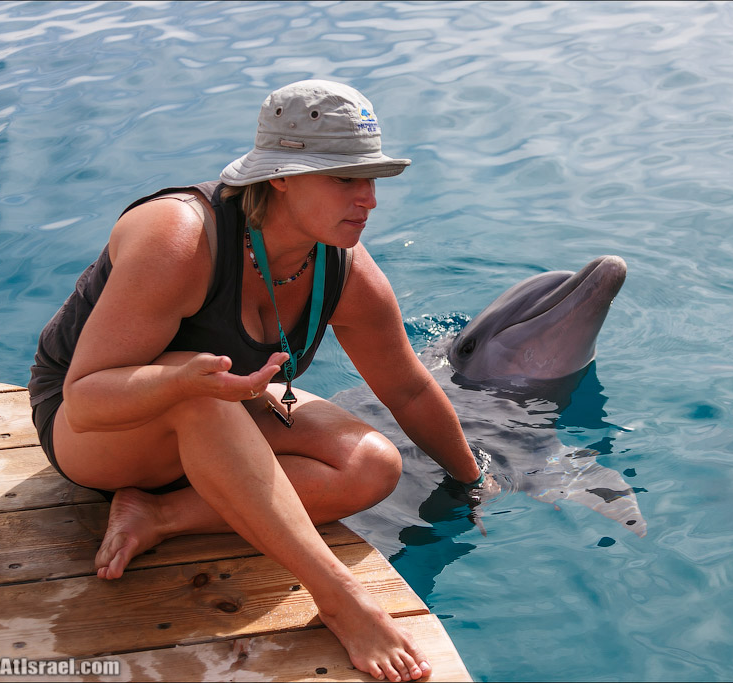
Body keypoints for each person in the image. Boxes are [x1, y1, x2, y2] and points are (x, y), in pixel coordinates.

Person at [28, 80, 485, 683]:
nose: (368, 199)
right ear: (280, 176)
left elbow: (407, 388)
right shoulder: (180, 237)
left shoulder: (341, 267)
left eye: (372, 178)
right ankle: (340, 598)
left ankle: (158, 516)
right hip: (93, 426)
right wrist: (182, 382)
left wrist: (471, 480)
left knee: (372, 464)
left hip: (218, 407)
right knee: (200, 396)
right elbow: (85, 401)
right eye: (345, 177)